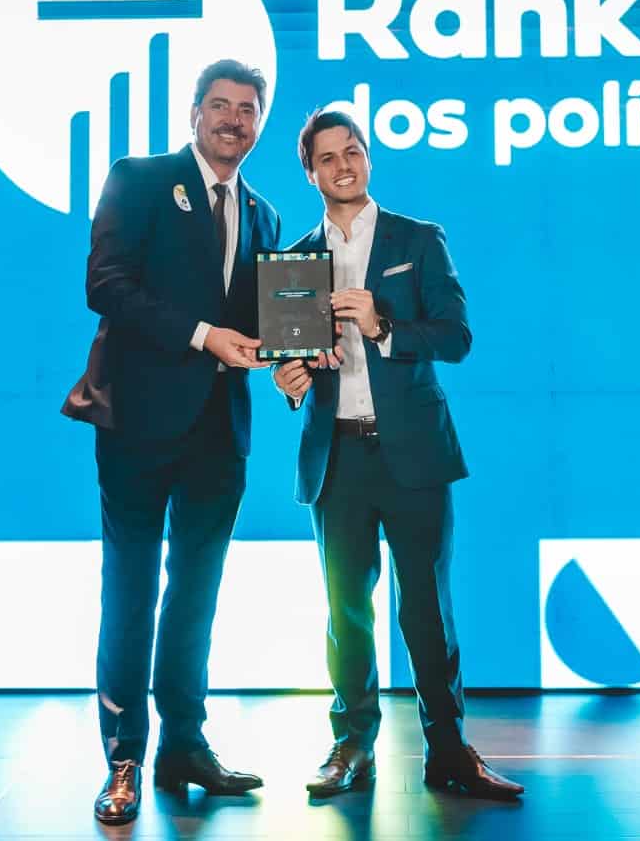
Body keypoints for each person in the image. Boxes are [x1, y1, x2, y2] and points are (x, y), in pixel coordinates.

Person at [272, 109, 524, 801]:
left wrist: (383, 325)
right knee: (346, 611)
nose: (343, 165)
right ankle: (352, 747)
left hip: (414, 453)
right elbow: (293, 366)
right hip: (336, 458)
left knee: (427, 609)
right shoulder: (293, 262)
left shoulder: (419, 239)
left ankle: (449, 750)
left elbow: (457, 337)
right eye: (328, 157)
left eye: (352, 151)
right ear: (310, 172)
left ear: (368, 158)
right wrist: (289, 381)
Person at [65, 59, 281, 825]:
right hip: (139, 425)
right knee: (129, 592)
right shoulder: (140, 178)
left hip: (221, 434)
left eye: (247, 110)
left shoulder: (262, 214)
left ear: (258, 124)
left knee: (196, 595)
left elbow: (259, 325)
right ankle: (123, 758)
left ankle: (185, 745)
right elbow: (105, 284)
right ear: (194, 114)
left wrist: (293, 353)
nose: (233, 120)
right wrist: (202, 335)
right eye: (220, 105)